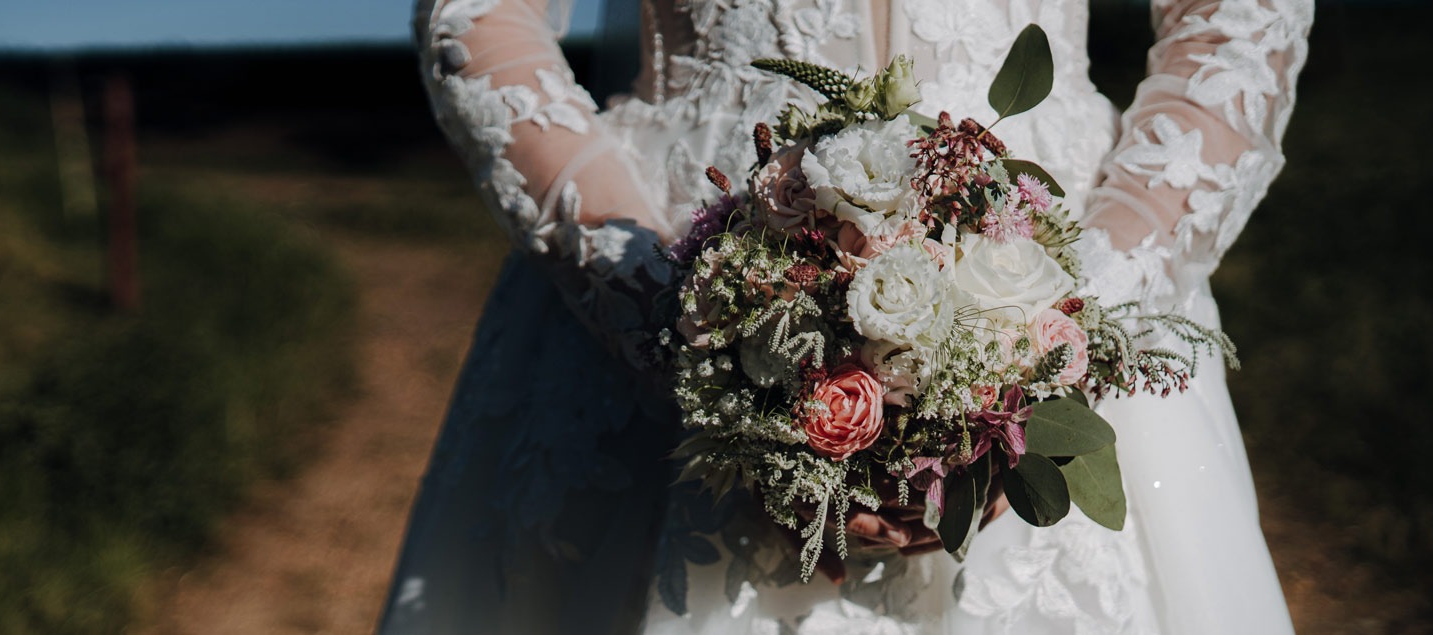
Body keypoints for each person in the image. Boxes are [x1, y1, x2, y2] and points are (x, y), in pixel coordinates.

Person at [383, 0, 1312, 632]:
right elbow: (478, 14)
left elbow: (1239, 20)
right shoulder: (671, 305)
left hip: (1056, 246)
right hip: (667, 258)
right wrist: (675, 318)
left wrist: (1063, 329)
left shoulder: (1068, 307)